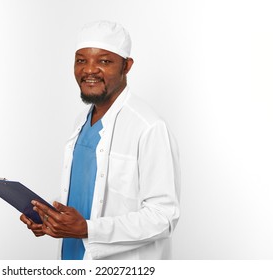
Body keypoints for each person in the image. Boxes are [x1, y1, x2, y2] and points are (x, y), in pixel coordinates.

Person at [20, 20, 181, 260]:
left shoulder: (149, 127)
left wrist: (88, 229)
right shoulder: (82, 121)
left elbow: (164, 217)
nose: (89, 70)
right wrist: (49, 217)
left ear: (126, 66)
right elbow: (85, 191)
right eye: (81, 60)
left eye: (104, 61)